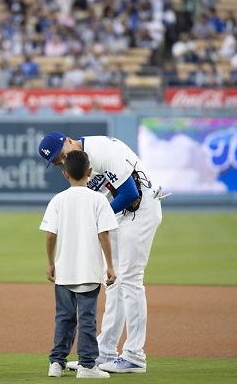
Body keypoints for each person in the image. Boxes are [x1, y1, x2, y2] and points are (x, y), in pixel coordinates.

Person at [38, 131, 165, 374]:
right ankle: (104, 352)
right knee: (113, 281)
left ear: (68, 141)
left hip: (141, 209)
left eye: (61, 156)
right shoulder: (81, 162)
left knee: (130, 279)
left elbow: (130, 194)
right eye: (57, 162)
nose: (62, 162)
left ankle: (134, 355)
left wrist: (98, 218)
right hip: (122, 213)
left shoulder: (102, 151)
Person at [41, 150, 118, 379]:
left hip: (64, 270)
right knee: (87, 319)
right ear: (90, 172)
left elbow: (50, 236)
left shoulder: (57, 200)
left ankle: (56, 363)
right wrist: (110, 266)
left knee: (64, 318)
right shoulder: (98, 199)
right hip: (89, 271)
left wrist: (50, 263)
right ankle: (86, 366)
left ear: (65, 174)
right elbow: (103, 234)